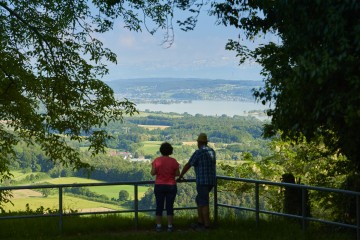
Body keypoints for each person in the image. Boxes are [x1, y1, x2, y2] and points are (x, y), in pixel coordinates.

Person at [177, 133, 216, 230]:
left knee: (203, 202)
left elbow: (188, 165)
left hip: (202, 181)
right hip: (211, 180)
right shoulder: (212, 151)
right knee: (199, 200)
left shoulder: (198, 152)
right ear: (206, 142)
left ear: (199, 142)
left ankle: (206, 225)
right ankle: (200, 222)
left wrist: (181, 175)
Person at [151, 142, 180, 232]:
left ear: (161, 151)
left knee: (159, 206)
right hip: (171, 186)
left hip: (159, 185)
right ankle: (170, 226)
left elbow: (152, 173)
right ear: (170, 151)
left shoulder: (156, 160)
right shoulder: (174, 161)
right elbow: (178, 173)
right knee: (169, 206)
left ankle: (158, 226)